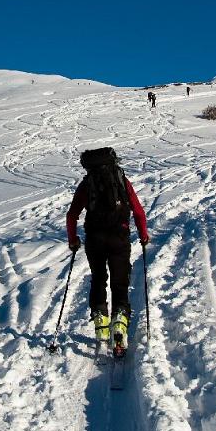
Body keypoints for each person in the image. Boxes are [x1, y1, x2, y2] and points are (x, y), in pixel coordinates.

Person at [67, 147, 149, 350]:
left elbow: (72, 215)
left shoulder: (87, 184)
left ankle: (101, 323)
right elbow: (138, 211)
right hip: (119, 237)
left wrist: (73, 240)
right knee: (120, 282)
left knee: (98, 279)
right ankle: (119, 322)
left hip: (94, 239)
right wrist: (143, 235)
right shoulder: (121, 180)